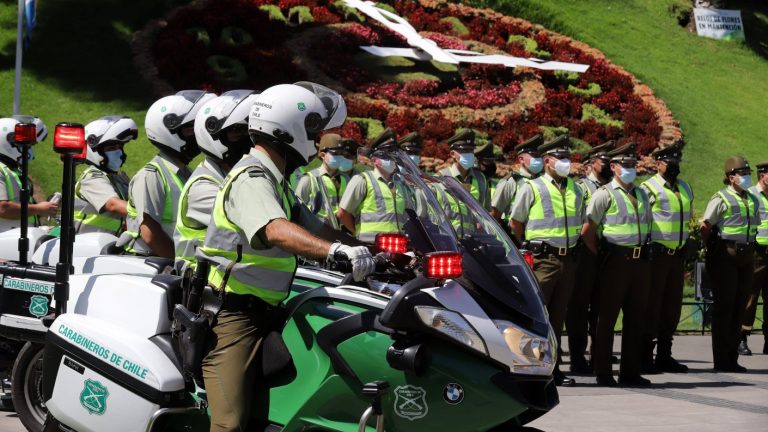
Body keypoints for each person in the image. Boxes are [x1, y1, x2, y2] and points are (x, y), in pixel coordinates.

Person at [196, 82, 374, 431]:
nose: (319, 138)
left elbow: (320, 230)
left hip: (272, 309)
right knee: (229, 423)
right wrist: (335, 252)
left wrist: (375, 251)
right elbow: (275, 229)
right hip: (234, 317)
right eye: (314, 130)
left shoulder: (277, 181)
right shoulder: (250, 177)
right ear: (286, 128)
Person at [510, 134, 583, 387]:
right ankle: (531, 367)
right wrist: (527, 247)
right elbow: (515, 222)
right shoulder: (532, 187)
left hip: (568, 260)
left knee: (557, 318)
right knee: (536, 315)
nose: (566, 162)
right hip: (543, 259)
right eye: (561, 158)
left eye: (568, 158)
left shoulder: (575, 188)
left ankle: (554, 368)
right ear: (548, 161)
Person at [582, 143, 652, 387]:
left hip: (639, 261)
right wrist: (600, 254)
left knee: (636, 318)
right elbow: (588, 230)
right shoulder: (604, 194)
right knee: (607, 319)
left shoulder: (642, 193)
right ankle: (603, 372)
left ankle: (630, 372)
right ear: (614, 167)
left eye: (634, 165)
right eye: (626, 165)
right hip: (615, 261)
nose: (631, 169)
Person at [123, 90, 215, 258]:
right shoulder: (151, 175)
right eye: (189, 130)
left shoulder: (185, 173)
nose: (196, 134)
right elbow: (150, 234)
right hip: (150, 265)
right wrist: (178, 265)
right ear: (169, 131)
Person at [174, 90, 259, 268]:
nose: (246, 139)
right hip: (200, 286)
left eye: (247, 131)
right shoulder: (204, 186)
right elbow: (257, 225)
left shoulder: (237, 176)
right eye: (237, 131)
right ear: (213, 134)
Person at [700, 156, 758, 372]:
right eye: (742, 173)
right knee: (725, 307)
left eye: (747, 172)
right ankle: (721, 359)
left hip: (747, 254)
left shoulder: (752, 198)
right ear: (731, 177)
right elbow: (705, 226)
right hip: (726, 254)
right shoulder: (721, 198)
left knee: (739, 306)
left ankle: (732, 357)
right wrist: (713, 249)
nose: (746, 177)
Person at [640, 141, 693, 373]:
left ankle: (665, 354)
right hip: (657, 255)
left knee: (672, 307)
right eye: (670, 162)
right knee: (653, 305)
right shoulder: (648, 188)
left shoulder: (685, 187)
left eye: (676, 162)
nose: (674, 166)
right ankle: (644, 356)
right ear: (659, 164)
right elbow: (641, 220)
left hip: (677, 256)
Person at [565, 140, 615, 374]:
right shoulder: (582, 187)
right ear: (591, 163)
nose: (606, 165)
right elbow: (581, 223)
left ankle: (600, 354)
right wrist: (593, 248)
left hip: (608, 252)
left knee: (603, 305)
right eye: (603, 161)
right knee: (579, 306)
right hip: (586, 252)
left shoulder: (614, 187)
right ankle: (577, 356)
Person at [337, 128, 408, 242]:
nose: (391, 159)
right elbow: (342, 213)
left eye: (393, 155)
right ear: (374, 160)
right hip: (370, 246)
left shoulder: (400, 184)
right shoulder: (362, 180)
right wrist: (356, 232)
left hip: (396, 246)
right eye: (386, 156)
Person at [73, 116, 137, 235]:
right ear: (94, 150)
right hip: (86, 247)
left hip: (109, 245)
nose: (118, 152)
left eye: (119, 147)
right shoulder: (92, 178)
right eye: (111, 148)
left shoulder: (119, 178)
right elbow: (113, 205)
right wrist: (150, 215)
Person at [0, 116, 58, 232]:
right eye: (23, 144)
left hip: (17, 237)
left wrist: (45, 210)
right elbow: (3, 208)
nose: (28, 149)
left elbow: (21, 211)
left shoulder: (13, 170)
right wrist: (38, 208)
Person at [295, 133, 353, 227]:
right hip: (316, 234)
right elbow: (297, 209)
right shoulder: (309, 179)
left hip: (340, 234)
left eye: (342, 153)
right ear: (322, 155)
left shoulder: (345, 178)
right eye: (335, 153)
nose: (340, 157)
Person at [490, 134, 544, 224]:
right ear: (521, 159)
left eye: (539, 156)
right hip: (515, 235)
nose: (538, 159)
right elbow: (495, 214)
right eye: (534, 155)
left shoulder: (544, 181)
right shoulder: (511, 182)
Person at [743, 161, 768, 355]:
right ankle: (741, 338)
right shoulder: (751, 195)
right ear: (763, 176)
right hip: (757, 253)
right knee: (750, 297)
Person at [439, 129, 491, 209]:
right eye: (464, 150)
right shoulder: (440, 178)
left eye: (471, 150)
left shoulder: (481, 179)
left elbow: (487, 211)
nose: (469, 154)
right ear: (452, 154)